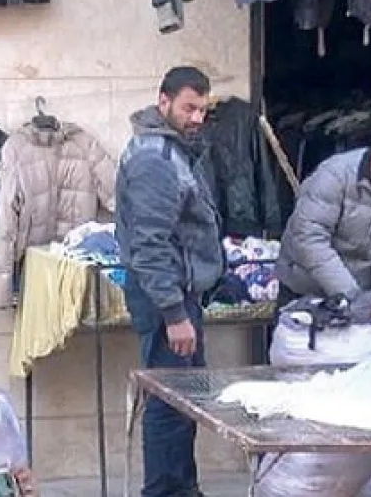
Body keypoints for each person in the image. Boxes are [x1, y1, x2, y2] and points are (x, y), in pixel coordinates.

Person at [115, 67, 224, 497]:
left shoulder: (171, 151)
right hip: (166, 297)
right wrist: (175, 313)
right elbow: (149, 244)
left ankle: (183, 488)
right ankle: (163, 492)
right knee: (169, 401)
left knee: (185, 400)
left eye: (202, 109)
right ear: (163, 102)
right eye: (188, 107)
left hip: (178, 293)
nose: (197, 117)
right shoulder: (154, 159)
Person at [275, 134, 371, 342]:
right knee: (300, 368)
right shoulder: (334, 176)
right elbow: (309, 239)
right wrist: (351, 294)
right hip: (305, 292)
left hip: (362, 300)